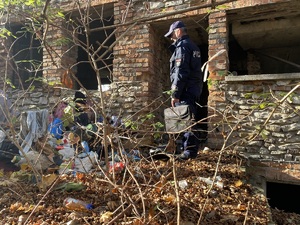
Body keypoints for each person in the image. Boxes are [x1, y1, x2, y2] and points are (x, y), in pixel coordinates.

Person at [164, 21, 204, 160]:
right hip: (193, 89)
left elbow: (181, 71)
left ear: (178, 31)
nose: (171, 38)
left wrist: (175, 94)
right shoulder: (193, 46)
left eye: (172, 35)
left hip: (186, 90)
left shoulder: (182, 46)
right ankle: (188, 150)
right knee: (190, 118)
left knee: (186, 121)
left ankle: (188, 152)